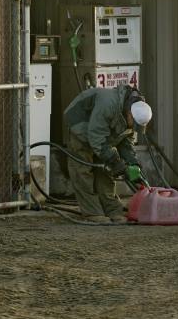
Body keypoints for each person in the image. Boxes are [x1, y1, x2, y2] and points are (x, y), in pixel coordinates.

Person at [63, 84, 152, 223]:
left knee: (106, 170)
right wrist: (115, 161)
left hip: (101, 131)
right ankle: (92, 212)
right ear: (129, 113)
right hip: (81, 123)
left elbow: (126, 141)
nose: (132, 128)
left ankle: (113, 211)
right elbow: (96, 137)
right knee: (82, 171)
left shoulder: (132, 113)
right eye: (133, 125)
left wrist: (132, 163)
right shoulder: (108, 105)